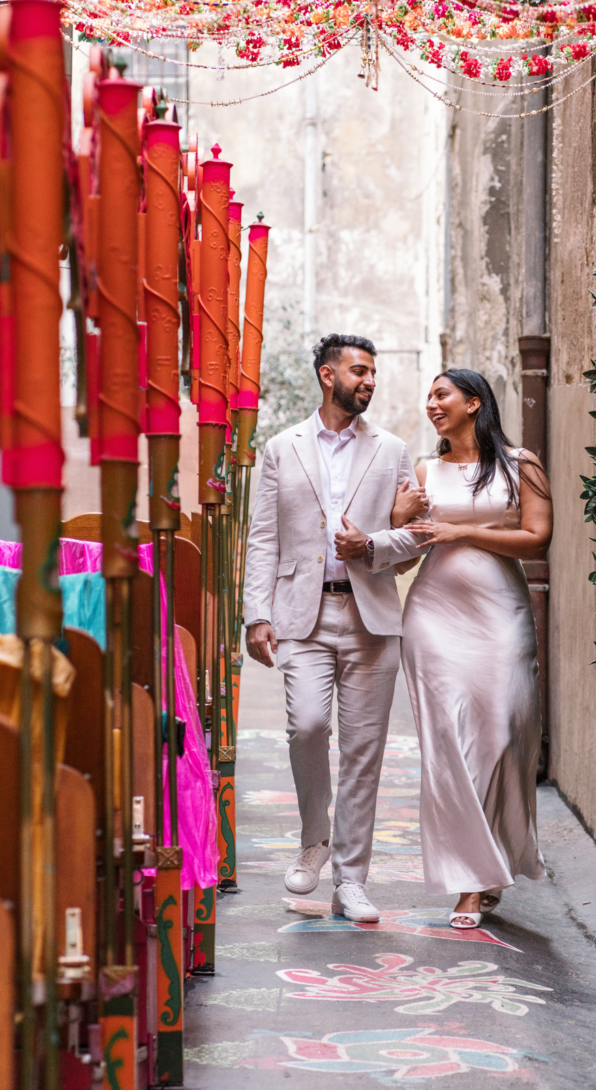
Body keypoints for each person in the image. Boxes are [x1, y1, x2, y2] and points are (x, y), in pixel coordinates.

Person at [348, 368, 552, 929]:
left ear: (474, 402)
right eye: (431, 397)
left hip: (500, 616)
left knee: (501, 735)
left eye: (442, 395)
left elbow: (537, 537)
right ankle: (468, 882)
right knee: (449, 748)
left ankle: (493, 862)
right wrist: (396, 522)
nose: (432, 404)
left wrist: (462, 532)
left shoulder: (521, 464)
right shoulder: (423, 471)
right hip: (435, 617)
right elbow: (409, 555)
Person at [242, 333, 425, 923]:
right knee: (308, 727)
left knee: (365, 751)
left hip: (371, 613)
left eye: (374, 373)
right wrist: (258, 614)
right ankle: (314, 839)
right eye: (360, 371)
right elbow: (264, 537)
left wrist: (368, 545)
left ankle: (352, 880)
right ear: (328, 375)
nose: (369, 381)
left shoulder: (394, 450)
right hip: (302, 614)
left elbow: (411, 544)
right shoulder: (281, 447)